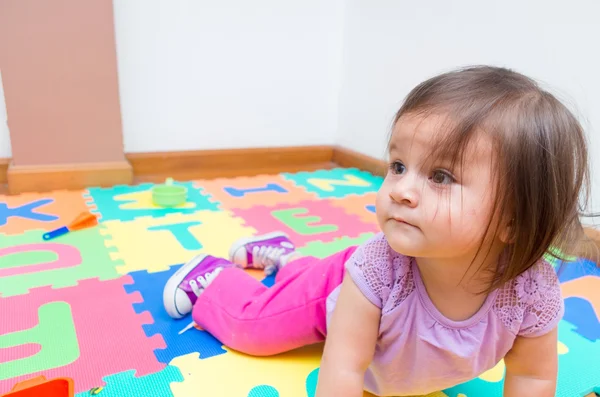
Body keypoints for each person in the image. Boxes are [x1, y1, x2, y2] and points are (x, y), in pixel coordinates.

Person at [162, 66, 593, 397]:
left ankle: (283, 257)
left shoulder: (532, 292)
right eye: (399, 166)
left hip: (354, 290)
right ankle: (215, 277)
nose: (401, 190)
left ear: (513, 222)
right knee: (254, 328)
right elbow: (344, 367)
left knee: (302, 284)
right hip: (341, 288)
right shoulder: (378, 270)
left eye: (441, 176)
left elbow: (533, 376)